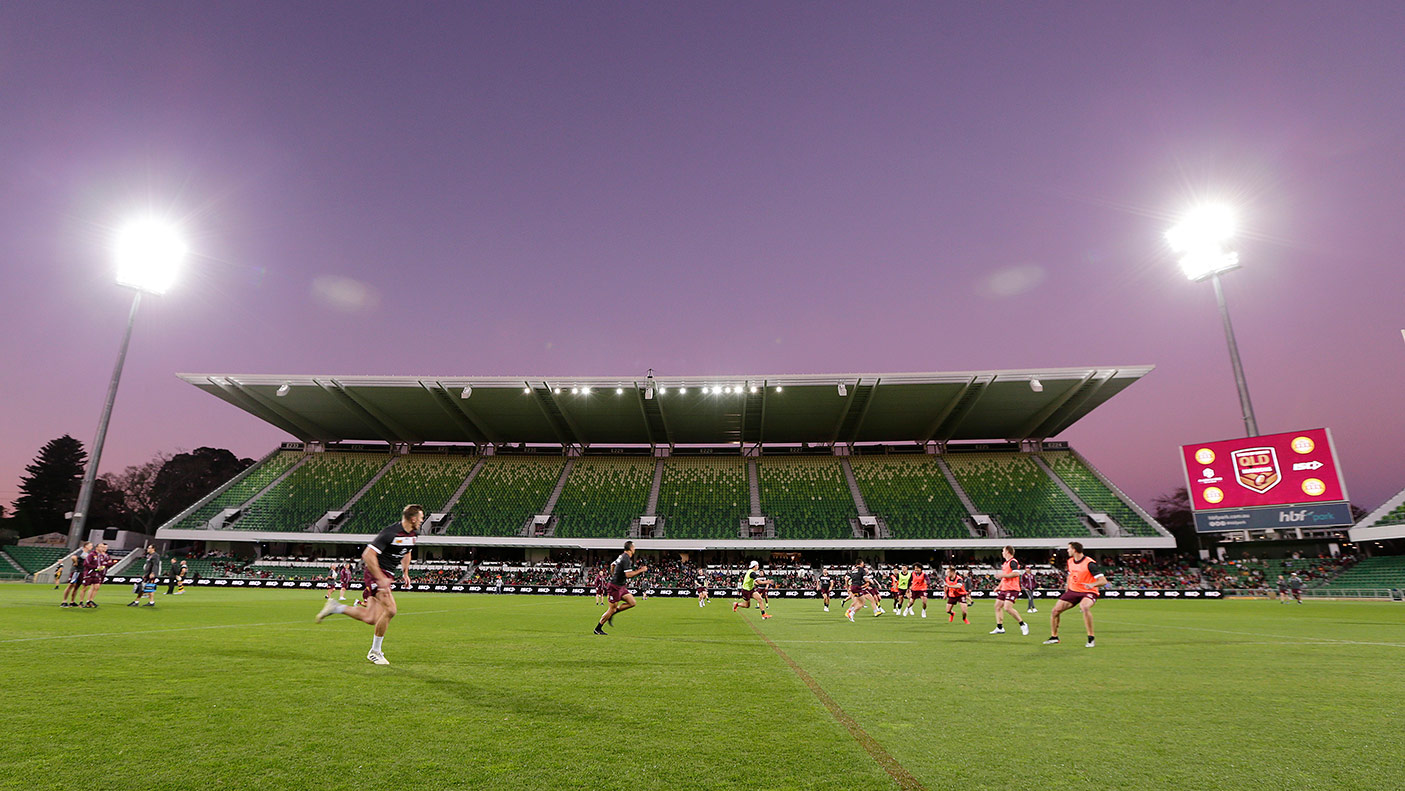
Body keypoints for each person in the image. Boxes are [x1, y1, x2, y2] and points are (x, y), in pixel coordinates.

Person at [316, 504, 422, 665]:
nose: (422, 521)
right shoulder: (390, 533)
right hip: (375, 572)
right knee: (391, 609)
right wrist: (380, 578)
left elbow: (407, 551)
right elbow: (368, 555)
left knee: (371, 617)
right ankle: (375, 652)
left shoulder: (414, 534)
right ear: (413, 519)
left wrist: (405, 572)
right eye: (420, 518)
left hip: (388, 574)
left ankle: (336, 607)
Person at [1044, 542, 1109, 648]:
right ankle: (1054, 637)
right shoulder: (1070, 562)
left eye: (1068, 549)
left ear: (1074, 550)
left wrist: (1091, 584)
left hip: (1089, 591)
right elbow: (1070, 577)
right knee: (1055, 611)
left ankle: (1091, 638)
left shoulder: (1089, 563)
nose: (1067, 551)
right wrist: (1067, 590)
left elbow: (1103, 581)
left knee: (1084, 607)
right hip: (1073, 591)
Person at [594, 541, 648, 635]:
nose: (634, 549)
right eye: (634, 547)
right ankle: (598, 628)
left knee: (632, 602)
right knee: (611, 609)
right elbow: (628, 574)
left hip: (621, 586)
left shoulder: (621, 556)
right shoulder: (626, 558)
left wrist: (614, 574)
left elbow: (612, 565)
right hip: (615, 587)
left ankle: (613, 613)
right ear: (631, 548)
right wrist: (641, 570)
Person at [989, 546, 1029, 635]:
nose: (1002, 553)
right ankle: (1000, 627)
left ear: (1007, 552)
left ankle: (1023, 624)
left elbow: (1016, 573)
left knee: (1007, 608)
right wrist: (999, 586)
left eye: (1003, 551)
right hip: (1004, 588)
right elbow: (1004, 578)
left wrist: (1002, 575)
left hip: (1012, 588)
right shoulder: (1005, 564)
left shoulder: (1013, 562)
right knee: (997, 606)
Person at [78, 542, 116, 608]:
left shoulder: (101, 556)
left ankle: (90, 601)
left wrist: (102, 566)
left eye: (103, 547)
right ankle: (81, 602)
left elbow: (105, 564)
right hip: (89, 573)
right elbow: (86, 564)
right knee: (85, 588)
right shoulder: (91, 555)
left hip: (97, 573)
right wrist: (96, 567)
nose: (102, 548)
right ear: (97, 547)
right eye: (101, 547)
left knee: (96, 587)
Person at [60, 541, 93, 607]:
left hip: (82, 571)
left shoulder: (87, 553)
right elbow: (73, 557)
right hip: (77, 571)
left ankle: (72, 601)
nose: (91, 547)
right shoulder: (81, 552)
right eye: (90, 545)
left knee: (77, 587)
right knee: (71, 585)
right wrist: (75, 562)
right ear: (86, 546)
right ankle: (64, 601)